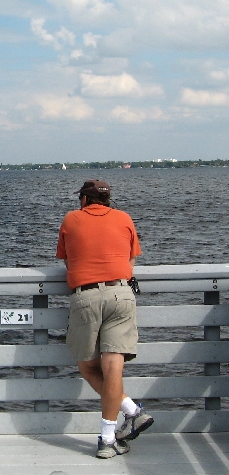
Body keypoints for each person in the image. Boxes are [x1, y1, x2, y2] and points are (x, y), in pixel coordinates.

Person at [56, 180, 154, 459]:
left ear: (84, 201)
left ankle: (132, 411)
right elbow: (130, 260)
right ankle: (110, 437)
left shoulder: (71, 219)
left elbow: (68, 261)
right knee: (114, 370)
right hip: (122, 295)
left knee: (88, 367)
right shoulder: (124, 218)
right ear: (108, 200)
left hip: (86, 296)